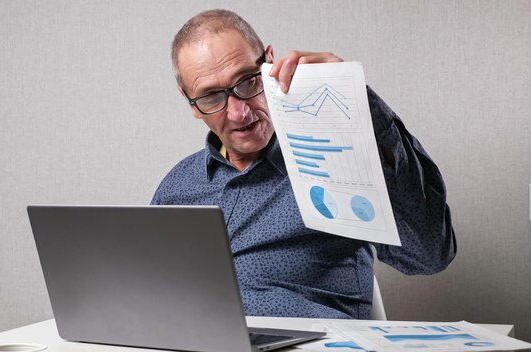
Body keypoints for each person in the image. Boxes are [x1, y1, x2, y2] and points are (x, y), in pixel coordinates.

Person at [152, 9, 456, 319]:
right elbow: (153, 293)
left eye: (246, 81)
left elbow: (429, 255)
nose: (238, 113)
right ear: (189, 101)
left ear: (269, 60)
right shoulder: (177, 187)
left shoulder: (337, 158)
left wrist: (360, 107)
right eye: (211, 97)